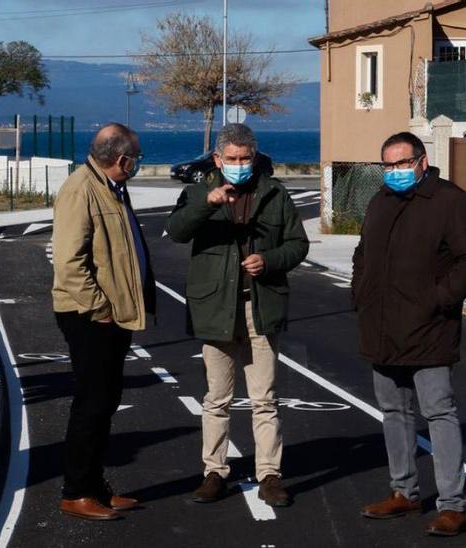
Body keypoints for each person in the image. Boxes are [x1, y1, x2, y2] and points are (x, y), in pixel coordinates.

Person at [352, 132, 466, 537]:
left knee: (439, 413)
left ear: (422, 161)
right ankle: (404, 492)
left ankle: (452, 505)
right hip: (380, 328)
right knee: (394, 412)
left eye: (401, 163)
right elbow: (363, 253)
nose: (394, 171)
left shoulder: (451, 201)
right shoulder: (380, 202)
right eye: (388, 165)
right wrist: (360, 293)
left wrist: (438, 299)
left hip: (429, 329)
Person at [165, 123, 308, 508]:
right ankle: (214, 471)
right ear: (217, 159)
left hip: (260, 305)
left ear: (254, 157)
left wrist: (270, 260)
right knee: (217, 398)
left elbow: (298, 244)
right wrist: (206, 203)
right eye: (232, 159)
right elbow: (176, 230)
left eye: (245, 158)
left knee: (265, 398)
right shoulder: (198, 191)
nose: (240, 165)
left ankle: (270, 475)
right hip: (216, 306)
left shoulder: (275, 194)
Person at [51, 123, 156, 521]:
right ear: (122, 159)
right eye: (137, 158)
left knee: (106, 400)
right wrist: (101, 308)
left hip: (111, 315)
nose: (138, 164)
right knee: (92, 403)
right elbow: (69, 262)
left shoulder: (110, 187)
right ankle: (76, 491)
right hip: (90, 316)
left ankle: (95, 486)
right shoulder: (82, 190)